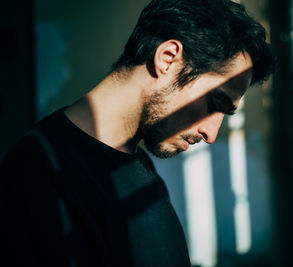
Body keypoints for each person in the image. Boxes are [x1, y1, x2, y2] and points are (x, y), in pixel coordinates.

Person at [0, 0, 275, 266]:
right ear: (168, 59)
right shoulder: (39, 172)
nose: (211, 134)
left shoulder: (140, 169)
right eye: (214, 104)